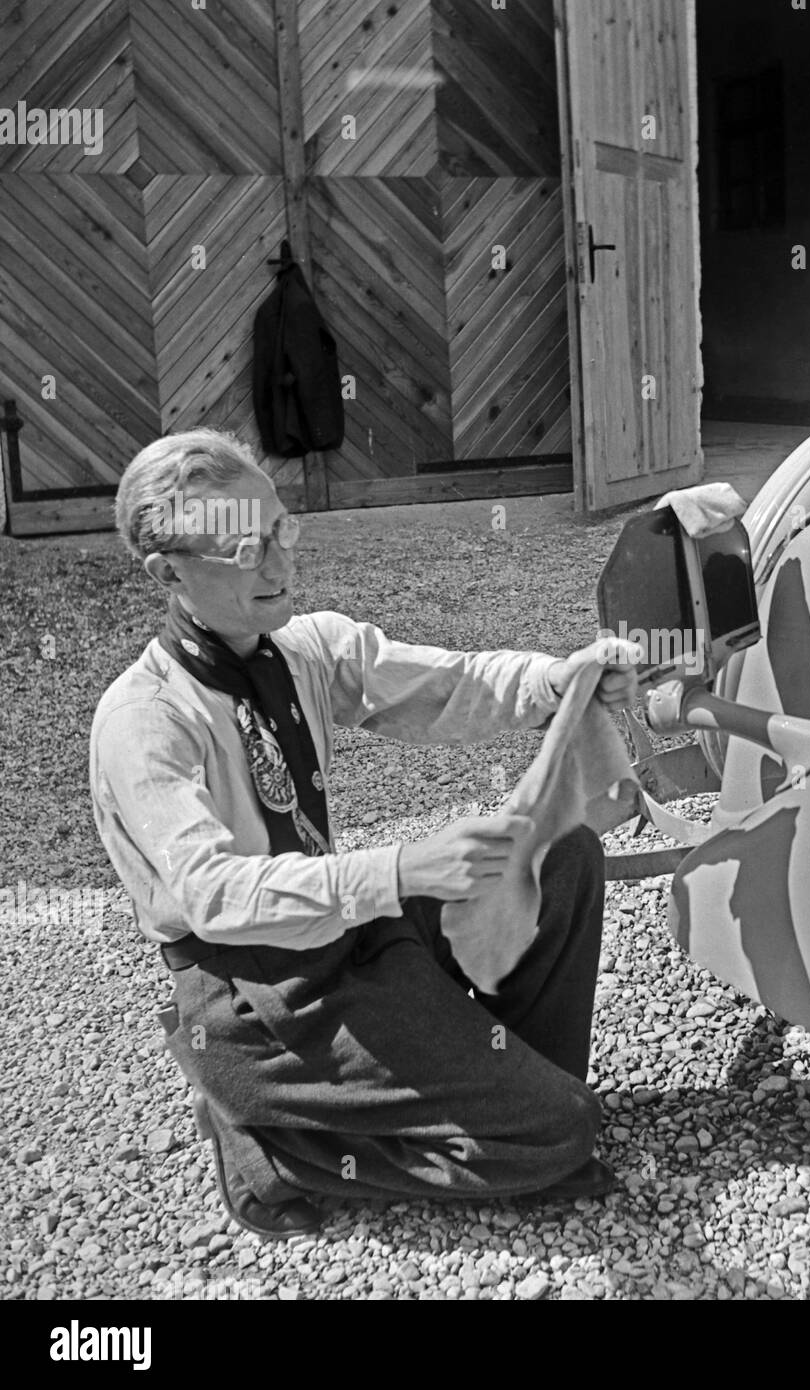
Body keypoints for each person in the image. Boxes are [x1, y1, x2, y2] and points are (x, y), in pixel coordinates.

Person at [89, 429, 639, 1239]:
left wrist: (556, 680)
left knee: (562, 857)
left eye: (281, 530)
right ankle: (271, 1149)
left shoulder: (306, 649)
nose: (278, 565)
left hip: (344, 933)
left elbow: (446, 684)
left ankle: (515, 1092)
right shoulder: (146, 720)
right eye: (243, 548)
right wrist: (403, 869)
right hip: (259, 999)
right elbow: (212, 894)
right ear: (167, 572)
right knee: (563, 1135)